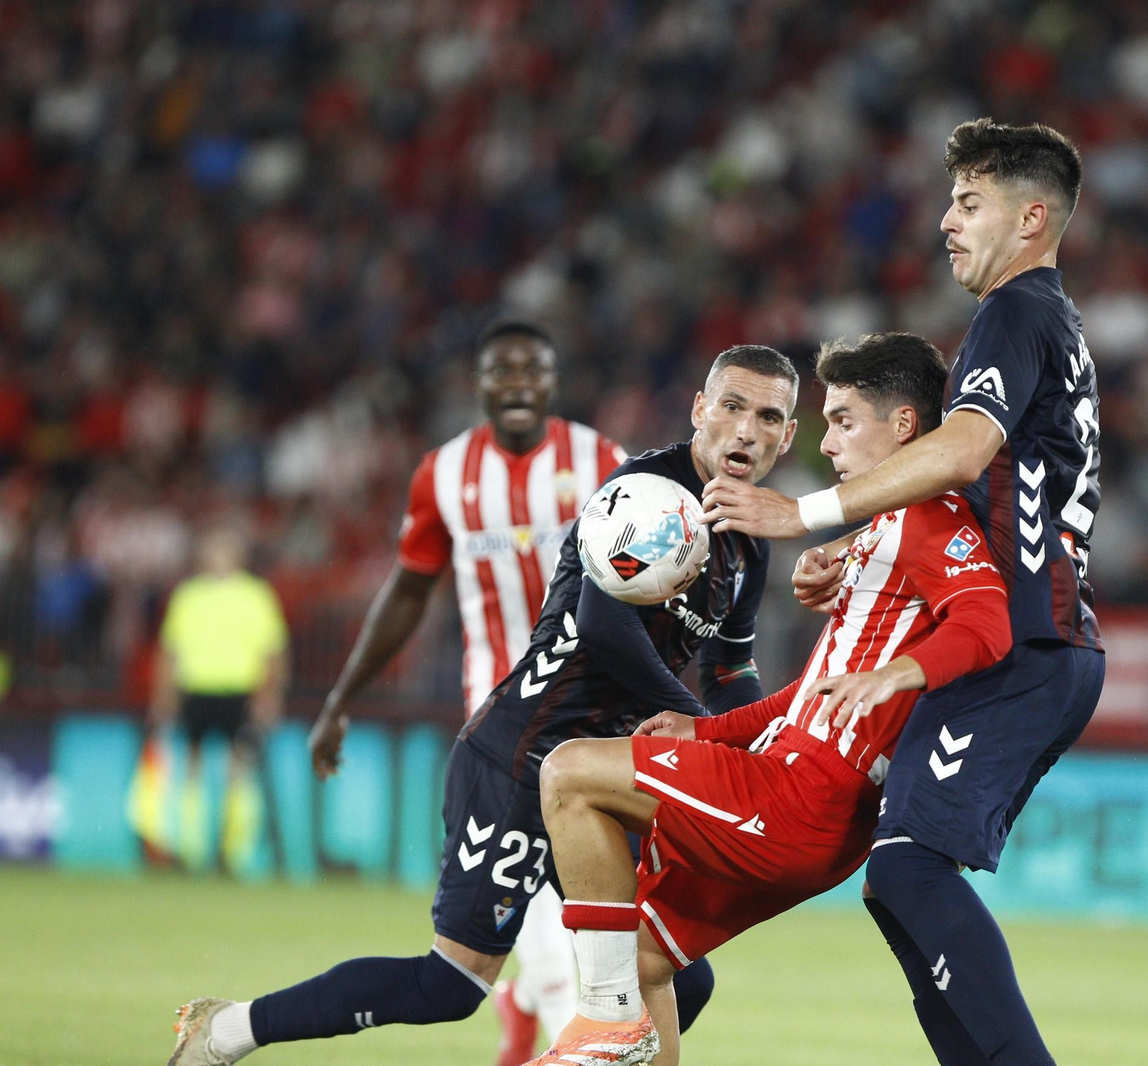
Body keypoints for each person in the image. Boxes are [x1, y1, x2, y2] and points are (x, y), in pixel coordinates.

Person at [166, 344, 794, 1066]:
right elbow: (602, 625)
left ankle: (545, 1026)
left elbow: (731, 663)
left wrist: (761, 736)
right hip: (521, 757)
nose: (746, 430)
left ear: (786, 432)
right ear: (700, 410)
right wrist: (696, 717)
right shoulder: (649, 492)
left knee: (678, 977)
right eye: (733, 407)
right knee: (450, 987)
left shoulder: (750, 540)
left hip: (597, 779)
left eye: (768, 416)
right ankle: (227, 1031)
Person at [702, 119, 1105, 1065]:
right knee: (896, 884)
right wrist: (866, 555)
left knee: (909, 869)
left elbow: (963, 451)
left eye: (970, 204)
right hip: (1038, 640)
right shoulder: (1056, 327)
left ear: (1032, 216)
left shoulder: (1016, 312)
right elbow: (989, 495)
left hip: (1021, 646)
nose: (945, 224)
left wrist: (804, 516)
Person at [524, 332, 1012, 1066]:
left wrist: (898, 676)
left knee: (568, 773)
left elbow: (988, 622)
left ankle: (604, 1018)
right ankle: (615, 1017)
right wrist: (707, 732)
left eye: (844, 419)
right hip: (803, 795)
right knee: (640, 957)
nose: (829, 438)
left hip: (800, 798)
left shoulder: (930, 515)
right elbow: (805, 698)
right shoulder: (884, 527)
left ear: (904, 427)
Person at [303, 315, 627, 1064]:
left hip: (592, 715)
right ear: (477, 384)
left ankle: (520, 1003)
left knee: (589, 907)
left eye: (532, 371)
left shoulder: (601, 461)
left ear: (552, 381)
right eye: (501, 372)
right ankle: (548, 1014)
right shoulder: (444, 474)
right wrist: (339, 700)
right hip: (502, 728)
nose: (517, 384)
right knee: (547, 937)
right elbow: (408, 592)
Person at [150, 524, 289, 871]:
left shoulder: (256, 595)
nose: (219, 556)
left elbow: (273, 651)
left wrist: (268, 696)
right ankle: (189, 847)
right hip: (196, 690)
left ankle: (231, 849)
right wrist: (163, 696)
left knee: (237, 771)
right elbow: (170, 650)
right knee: (191, 769)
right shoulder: (188, 595)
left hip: (238, 691)